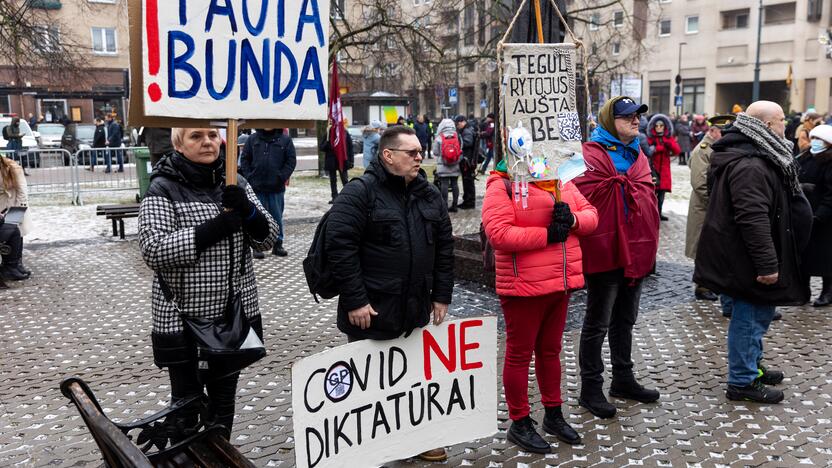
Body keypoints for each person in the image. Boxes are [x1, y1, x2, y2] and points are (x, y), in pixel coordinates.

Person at [324, 125, 454, 462]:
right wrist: (355, 299)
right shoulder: (360, 193)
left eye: (420, 151)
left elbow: (444, 248)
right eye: (411, 152)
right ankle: (370, 445)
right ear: (388, 155)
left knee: (414, 379)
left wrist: (441, 295)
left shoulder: (430, 194)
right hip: (371, 312)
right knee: (370, 386)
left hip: (414, 310)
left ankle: (417, 438)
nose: (419, 157)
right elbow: (339, 246)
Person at [138, 127, 278, 437]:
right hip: (184, 319)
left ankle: (218, 454)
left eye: (213, 135)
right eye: (196, 136)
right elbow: (153, 250)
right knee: (187, 407)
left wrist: (249, 211)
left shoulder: (236, 182)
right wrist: (213, 229)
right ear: (179, 144)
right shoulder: (163, 188)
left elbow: (268, 239)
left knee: (223, 405)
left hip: (232, 317)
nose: (207, 142)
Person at [694, 101, 813, 404]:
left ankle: (751, 366)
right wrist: (767, 264)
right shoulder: (750, 163)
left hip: (751, 254)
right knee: (749, 317)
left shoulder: (760, 153)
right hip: (750, 258)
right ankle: (742, 380)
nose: (785, 125)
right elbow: (752, 217)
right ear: (765, 125)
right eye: (780, 120)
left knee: (758, 316)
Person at [482, 158, 598, 453]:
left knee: (550, 351)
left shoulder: (560, 178)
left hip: (559, 284)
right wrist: (547, 235)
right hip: (525, 287)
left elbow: (592, 216)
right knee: (520, 355)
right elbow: (499, 233)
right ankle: (519, 421)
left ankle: (553, 414)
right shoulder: (503, 183)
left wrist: (572, 220)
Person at [574, 96, 661, 418]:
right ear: (611, 120)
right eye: (628, 117)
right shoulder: (589, 154)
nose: (636, 121)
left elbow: (646, 196)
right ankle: (590, 388)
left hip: (635, 250)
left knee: (625, 320)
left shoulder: (637, 153)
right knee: (598, 322)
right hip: (605, 250)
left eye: (638, 116)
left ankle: (623, 378)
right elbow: (579, 195)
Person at [685, 114, 735, 303]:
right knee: (702, 247)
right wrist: (718, 204)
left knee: (711, 247)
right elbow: (700, 184)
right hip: (704, 207)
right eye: (723, 132)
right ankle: (702, 286)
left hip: (713, 206)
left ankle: (710, 283)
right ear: (713, 131)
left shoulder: (719, 147)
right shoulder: (703, 150)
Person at [239, 128, 297, 258]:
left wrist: (282, 176)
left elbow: (291, 161)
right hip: (257, 187)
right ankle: (257, 245)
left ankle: (278, 244)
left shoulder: (285, 140)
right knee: (256, 217)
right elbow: (245, 159)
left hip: (276, 188)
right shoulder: (252, 139)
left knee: (277, 217)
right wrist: (250, 176)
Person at [797, 124, 832, 306]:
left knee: (825, 258)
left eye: (820, 140)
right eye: (814, 139)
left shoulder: (829, 162)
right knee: (804, 257)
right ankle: (803, 292)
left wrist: (820, 215)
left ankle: (828, 292)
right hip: (804, 215)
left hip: (824, 219)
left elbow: (830, 193)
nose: (815, 143)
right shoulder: (805, 157)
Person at [0, 155, 31, 282]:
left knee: (18, 231)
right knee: (10, 233)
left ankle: (17, 264)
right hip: (2, 205)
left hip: (15, 203)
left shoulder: (13, 168)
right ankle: (11, 265)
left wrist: (19, 209)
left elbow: (22, 190)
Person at [647, 114, 681, 221]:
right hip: (653, 170)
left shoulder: (668, 138)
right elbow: (648, 151)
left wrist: (667, 142)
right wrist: (659, 148)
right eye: (657, 126)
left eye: (661, 125)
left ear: (665, 126)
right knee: (652, 193)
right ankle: (651, 213)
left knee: (661, 195)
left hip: (664, 170)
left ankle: (659, 213)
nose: (659, 128)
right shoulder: (650, 138)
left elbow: (677, 150)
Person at [319, 122, 354, 203]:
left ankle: (348, 197)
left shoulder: (344, 132)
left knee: (344, 179)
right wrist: (327, 144)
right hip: (331, 160)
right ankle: (334, 197)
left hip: (342, 160)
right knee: (333, 180)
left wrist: (351, 160)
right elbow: (321, 147)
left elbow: (350, 147)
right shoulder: (329, 133)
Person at [432, 118, 461, 212]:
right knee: (454, 184)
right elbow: (461, 149)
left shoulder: (439, 137)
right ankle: (455, 205)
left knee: (444, 184)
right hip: (455, 164)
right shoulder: (457, 136)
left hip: (443, 165)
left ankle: (444, 205)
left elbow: (435, 152)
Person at [455, 115, 477, 209]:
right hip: (467, 160)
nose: (457, 126)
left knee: (468, 181)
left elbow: (468, 143)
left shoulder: (467, 131)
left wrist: (458, 142)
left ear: (462, 122)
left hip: (467, 160)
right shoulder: (468, 129)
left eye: (458, 124)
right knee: (467, 181)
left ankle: (469, 202)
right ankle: (467, 200)